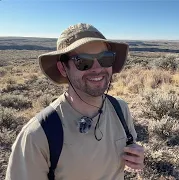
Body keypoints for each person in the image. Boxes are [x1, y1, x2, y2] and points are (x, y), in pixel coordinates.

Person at [5, 23, 144, 180]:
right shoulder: (38, 135)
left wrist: (135, 156)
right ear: (63, 68)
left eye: (105, 58)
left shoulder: (120, 109)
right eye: (83, 61)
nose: (98, 69)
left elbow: (126, 150)